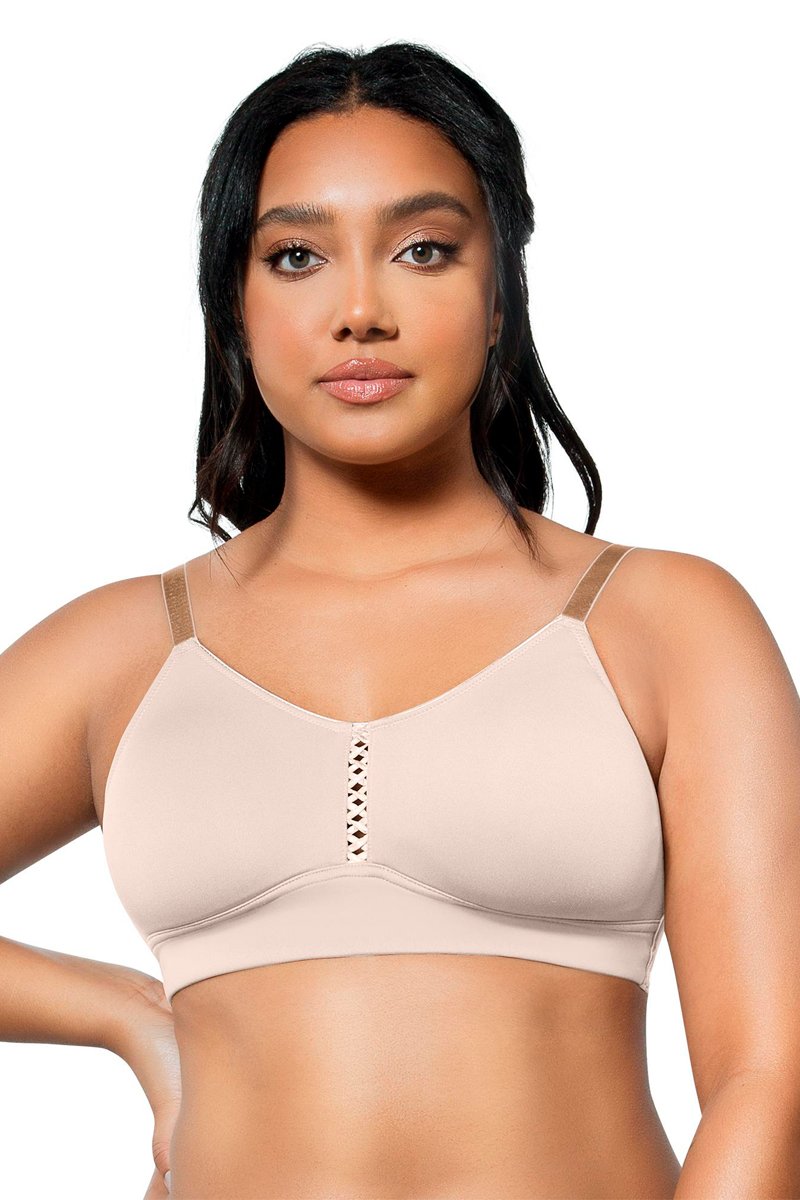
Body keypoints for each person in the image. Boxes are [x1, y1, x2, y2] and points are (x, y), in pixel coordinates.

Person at [2, 40, 799, 1200]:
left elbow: (765, 1082)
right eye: (296, 256)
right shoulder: (122, 651)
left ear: (498, 293)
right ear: (233, 305)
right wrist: (120, 1010)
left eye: (423, 248)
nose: (360, 311)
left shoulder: (665, 625)